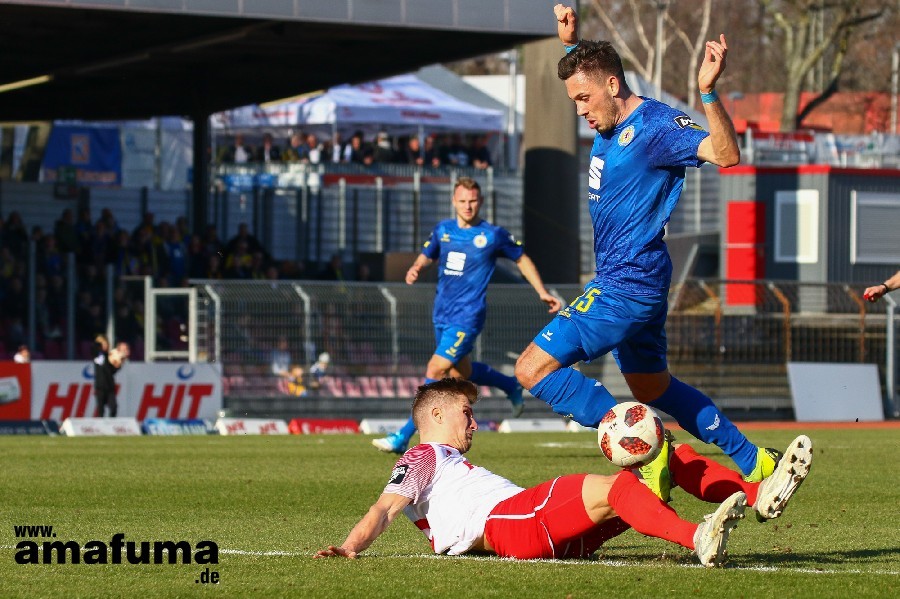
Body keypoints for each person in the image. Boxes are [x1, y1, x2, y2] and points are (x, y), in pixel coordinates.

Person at [513, 5, 787, 491]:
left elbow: (726, 155)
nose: (580, 110)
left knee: (531, 368)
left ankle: (645, 446)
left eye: (583, 99)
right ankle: (755, 461)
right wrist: (570, 45)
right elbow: (592, 71)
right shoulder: (607, 112)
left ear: (613, 87)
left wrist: (706, 92)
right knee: (651, 387)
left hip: (626, 284)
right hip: (635, 281)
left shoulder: (658, 127)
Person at [317, 379, 812, 565]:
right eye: (466, 413)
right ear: (438, 417)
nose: (472, 422)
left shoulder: (448, 462)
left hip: (552, 534)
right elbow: (386, 506)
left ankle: (757, 489)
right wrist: (349, 547)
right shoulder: (424, 456)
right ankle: (697, 538)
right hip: (508, 523)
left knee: (662, 453)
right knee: (616, 483)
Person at [372, 177, 563, 454]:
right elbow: (428, 254)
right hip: (441, 312)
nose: (468, 206)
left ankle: (401, 437)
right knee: (463, 373)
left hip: (468, 316)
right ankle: (510, 385)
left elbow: (521, 258)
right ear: (454, 201)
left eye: (473, 201)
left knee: (435, 369)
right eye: (462, 201)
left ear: (481, 201)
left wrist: (542, 291)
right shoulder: (443, 230)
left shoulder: (493, 235)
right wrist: (416, 267)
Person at [93, 334, 125, 417]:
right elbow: (102, 366)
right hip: (100, 387)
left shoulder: (109, 356)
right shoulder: (97, 355)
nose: (106, 346)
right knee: (101, 411)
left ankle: (111, 425)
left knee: (114, 407)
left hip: (110, 387)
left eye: (106, 344)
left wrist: (118, 364)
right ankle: (101, 427)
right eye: (104, 344)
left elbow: (111, 371)